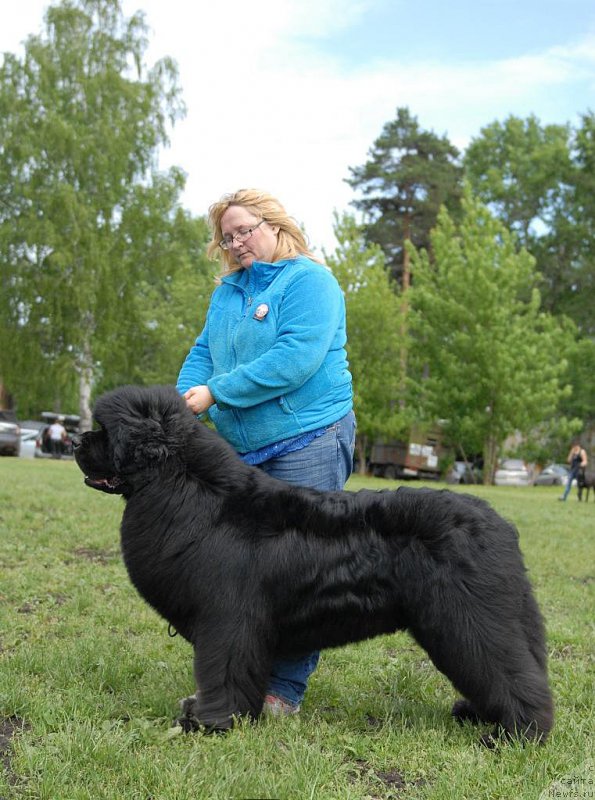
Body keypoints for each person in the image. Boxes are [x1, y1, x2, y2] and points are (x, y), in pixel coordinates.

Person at [177, 188, 355, 716]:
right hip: (244, 451)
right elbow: (205, 352)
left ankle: (283, 691)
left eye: (244, 230)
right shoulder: (227, 293)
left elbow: (294, 360)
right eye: (226, 237)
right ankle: (240, 682)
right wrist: (181, 402)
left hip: (310, 439)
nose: (235, 244)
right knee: (242, 571)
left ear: (275, 224)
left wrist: (215, 394)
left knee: (303, 569)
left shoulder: (311, 282)